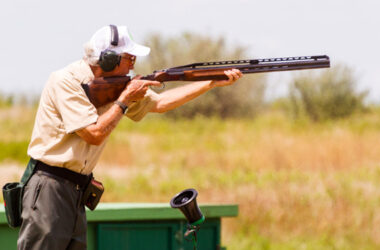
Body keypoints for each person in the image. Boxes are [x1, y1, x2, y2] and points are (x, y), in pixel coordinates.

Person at [17, 24, 242, 250]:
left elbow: (161, 103)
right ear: (107, 59)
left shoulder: (119, 88)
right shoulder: (66, 81)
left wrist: (210, 82)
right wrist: (124, 100)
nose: (134, 63)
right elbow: (93, 134)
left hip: (77, 189)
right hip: (49, 186)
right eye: (129, 58)